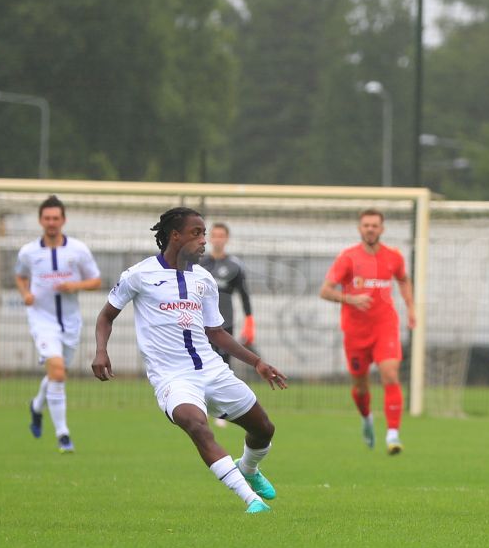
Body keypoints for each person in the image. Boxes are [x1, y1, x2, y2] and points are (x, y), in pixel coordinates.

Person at [91, 207, 287, 514]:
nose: (203, 240)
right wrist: (101, 350)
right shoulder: (139, 275)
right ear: (175, 236)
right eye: (196, 233)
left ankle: (249, 469)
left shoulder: (204, 279)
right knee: (198, 426)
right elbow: (106, 316)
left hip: (211, 369)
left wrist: (257, 362)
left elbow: (216, 332)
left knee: (264, 429)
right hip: (172, 378)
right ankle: (251, 500)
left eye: (204, 233)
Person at [319, 208, 416, 454]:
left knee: (390, 374)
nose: (370, 229)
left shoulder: (394, 256)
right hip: (355, 332)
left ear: (382, 229)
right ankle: (366, 419)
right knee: (361, 387)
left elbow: (404, 279)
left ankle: (393, 435)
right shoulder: (348, 258)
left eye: (374, 225)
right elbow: (325, 291)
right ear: (360, 228)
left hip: (385, 326)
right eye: (366, 225)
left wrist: (411, 308)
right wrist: (350, 299)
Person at [15, 195, 102, 453]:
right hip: (42, 320)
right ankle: (63, 435)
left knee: (57, 373)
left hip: (71, 322)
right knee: (58, 372)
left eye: (55, 218)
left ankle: (36, 405)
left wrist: (75, 285)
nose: (51, 222)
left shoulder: (78, 250)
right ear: (40, 221)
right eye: (47, 218)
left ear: (63, 220)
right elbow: (20, 276)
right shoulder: (28, 252)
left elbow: (96, 281)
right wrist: (25, 294)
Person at [197, 223, 255, 428]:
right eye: (215, 235)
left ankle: (221, 412)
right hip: (200, 323)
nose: (218, 239)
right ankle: (200, 407)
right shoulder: (200, 263)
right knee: (199, 364)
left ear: (227, 239)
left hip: (224, 322)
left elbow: (244, 295)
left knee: (223, 366)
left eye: (222, 235)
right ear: (210, 238)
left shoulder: (235, 266)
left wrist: (250, 322)